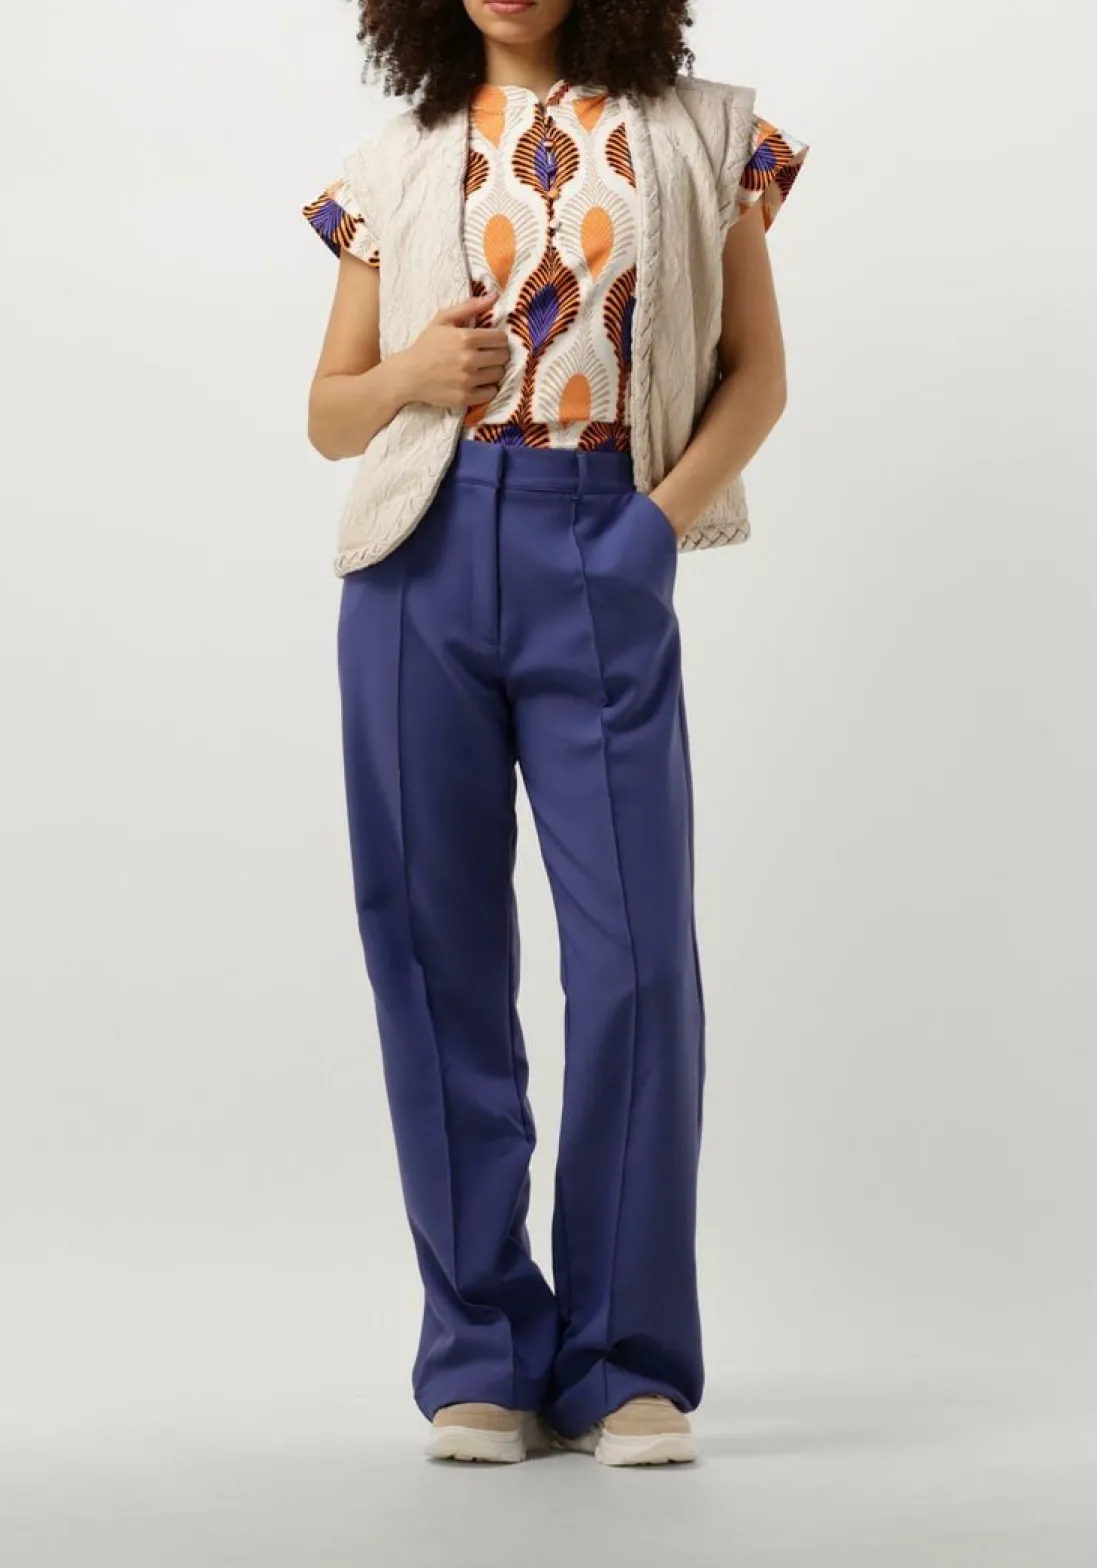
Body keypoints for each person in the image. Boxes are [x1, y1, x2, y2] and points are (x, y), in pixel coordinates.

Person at [302, 0, 808, 1467]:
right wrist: (411, 378)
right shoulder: (396, 159)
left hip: (602, 543)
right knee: (431, 959)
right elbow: (330, 414)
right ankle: (480, 1350)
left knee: (638, 961)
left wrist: (652, 529)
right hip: (418, 567)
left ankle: (623, 1362)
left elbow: (759, 373)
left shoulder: (708, 134)